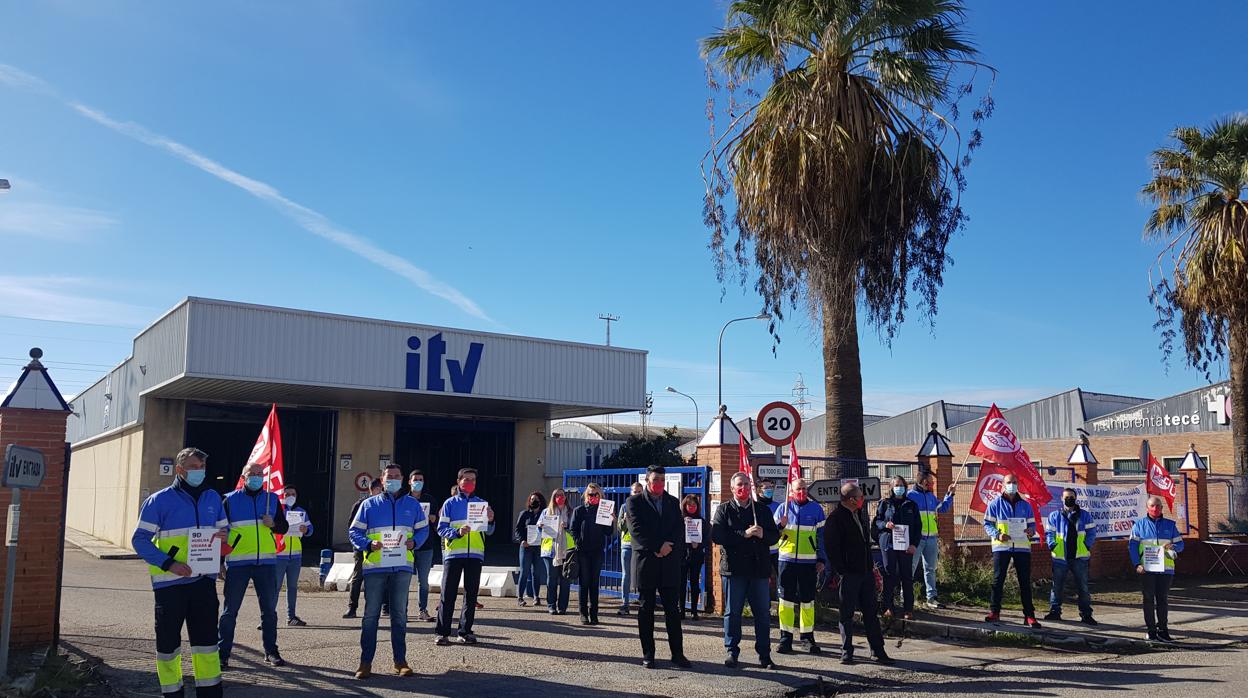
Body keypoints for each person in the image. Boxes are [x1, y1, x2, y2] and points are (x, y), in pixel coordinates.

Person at [132, 447, 227, 698]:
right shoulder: (159, 500)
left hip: (203, 584)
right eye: (195, 466)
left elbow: (226, 534)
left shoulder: (213, 498)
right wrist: (169, 564)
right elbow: (140, 540)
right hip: (170, 585)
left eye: (203, 467)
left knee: (207, 645)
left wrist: (223, 544)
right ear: (180, 470)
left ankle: (209, 693)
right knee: (168, 647)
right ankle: (172, 693)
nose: (200, 471)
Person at [348, 464, 429, 679]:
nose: (392, 479)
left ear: (402, 479)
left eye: (396, 476)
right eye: (389, 477)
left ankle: (400, 661)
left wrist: (415, 542)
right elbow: (354, 532)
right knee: (371, 616)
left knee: (399, 616)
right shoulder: (368, 505)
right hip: (375, 567)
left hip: (402, 566)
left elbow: (423, 529)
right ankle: (365, 663)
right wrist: (367, 544)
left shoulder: (413, 504)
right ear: (382, 481)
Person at [219, 461, 290, 669]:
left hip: (266, 564)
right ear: (244, 476)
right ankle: (223, 653)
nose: (257, 476)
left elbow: (283, 528)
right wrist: (219, 563)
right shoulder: (229, 500)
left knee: (269, 611)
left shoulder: (273, 499)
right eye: (252, 473)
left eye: (260, 473)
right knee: (229, 611)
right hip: (237, 564)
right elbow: (220, 535)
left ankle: (271, 651)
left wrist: (274, 524)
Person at [712, 473, 781, 669]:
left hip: (758, 569)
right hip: (734, 570)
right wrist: (744, 534)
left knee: (762, 614)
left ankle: (764, 654)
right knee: (732, 613)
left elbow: (774, 536)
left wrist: (763, 534)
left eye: (746, 484)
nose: (743, 488)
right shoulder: (724, 510)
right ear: (732, 488)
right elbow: (717, 535)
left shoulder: (761, 510)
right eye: (739, 485)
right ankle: (732, 651)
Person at [625, 465, 689, 669]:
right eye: (655, 480)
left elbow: (679, 528)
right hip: (647, 562)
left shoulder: (672, 502)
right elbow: (636, 530)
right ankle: (649, 654)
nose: (659, 484)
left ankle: (677, 654)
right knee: (646, 609)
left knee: (672, 609)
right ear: (647, 481)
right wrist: (657, 546)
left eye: (662, 480)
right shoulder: (634, 502)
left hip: (668, 562)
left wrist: (667, 547)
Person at [826, 483, 893, 665]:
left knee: (871, 613)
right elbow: (832, 548)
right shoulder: (835, 518)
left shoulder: (860, 515)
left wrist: (870, 567)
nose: (863, 499)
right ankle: (847, 651)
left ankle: (878, 651)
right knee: (846, 614)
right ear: (852, 499)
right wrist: (842, 571)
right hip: (849, 574)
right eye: (860, 496)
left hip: (865, 572)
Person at [434, 468, 496, 645]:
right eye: (466, 479)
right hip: (453, 554)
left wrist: (491, 519)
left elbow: (490, 531)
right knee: (448, 594)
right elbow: (440, 529)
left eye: (473, 480)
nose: (470, 482)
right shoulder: (450, 504)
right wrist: (457, 532)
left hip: (475, 555)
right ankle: (442, 633)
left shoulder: (482, 503)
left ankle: (465, 631)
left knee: (471, 596)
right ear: (459, 481)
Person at [773, 477, 828, 654]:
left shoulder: (816, 509)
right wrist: (779, 526)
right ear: (791, 491)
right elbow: (772, 536)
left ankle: (807, 638)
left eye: (804, 489)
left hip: (809, 563)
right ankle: (785, 638)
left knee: (807, 602)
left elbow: (822, 537)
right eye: (798, 489)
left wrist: (821, 559)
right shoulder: (783, 509)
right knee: (786, 602)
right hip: (786, 562)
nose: (802, 492)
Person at [982, 473, 1040, 627]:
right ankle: (994, 612)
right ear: (1002, 485)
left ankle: (1029, 615)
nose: (1012, 485)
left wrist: (1031, 531)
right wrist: (998, 534)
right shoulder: (994, 504)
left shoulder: (1026, 505)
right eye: (1009, 482)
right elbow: (987, 524)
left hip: (1022, 548)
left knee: (1025, 582)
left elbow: (1032, 526)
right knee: (998, 580)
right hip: (1002, 547)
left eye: (1014, 482)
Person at [1129, 495, 1184, 642]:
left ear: (1162, 508)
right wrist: (1136, 564)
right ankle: (1151, 631)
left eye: (1158, 506)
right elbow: (1132, 547)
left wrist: (1174, 546)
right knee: (1148, 600)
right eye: (1152, 506)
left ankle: (1163, 631)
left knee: (1162, 600)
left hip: (1166, 570)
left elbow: (1181, 545)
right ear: (1147, 508)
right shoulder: (1139, 526)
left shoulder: (1170, 525)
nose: (1155, 509)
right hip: (1146, 570)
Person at [1044, 487, 1097, 625]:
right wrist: (1052, 545)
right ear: (1062, 499)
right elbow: (1049, 533)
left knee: (1083, 587)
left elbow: (1092, 532)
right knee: (1057, 586)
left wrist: (1086, 545)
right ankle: (1055, 611)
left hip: (1079, 557)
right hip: (1060, 557)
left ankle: (1086, 614)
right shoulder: (1054, 516)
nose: (1069, 499)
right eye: (1066, 497)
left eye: (1071, 497)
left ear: (1076, 498)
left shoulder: (1085, 515)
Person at [874, 476, 921, 619]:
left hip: (906, 546)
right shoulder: (885, 503)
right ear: (891, 487)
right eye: (896, 485)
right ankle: (888, 607)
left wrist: (914, 544)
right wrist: (885, 525)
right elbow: (877, 521)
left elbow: (918, 527)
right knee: (889, 575)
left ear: (905, 487)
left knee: (906, 576)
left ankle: (908, 609)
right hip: (888, 543)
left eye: (901, 485)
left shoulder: (911, 505)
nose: (899, 487)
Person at [907, 471, 956, 609]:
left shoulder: (930, 496)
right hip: (916, 539)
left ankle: (931, 598)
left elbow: (943, 508)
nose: (933, 484)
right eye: (932, 482)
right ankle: (906, 597)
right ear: (924, 482)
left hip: (932, 539)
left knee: (930, 569)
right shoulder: (910, 496)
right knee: (909, 569)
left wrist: (950, 494)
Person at [571, 482, 615, 624]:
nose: (593, 497)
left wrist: (611, 520)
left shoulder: (603, 510)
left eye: (596, 494)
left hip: (597, 551)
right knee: (584, 582)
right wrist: (578, 541)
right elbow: (573, 529)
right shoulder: (579, 511)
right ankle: (583, 613)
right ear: (586, 495)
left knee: (594, 583)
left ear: (600, 495)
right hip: (583, 551)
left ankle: (594, 613)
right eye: (591, 494)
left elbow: (608, 533)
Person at [273, 485, 312, 627]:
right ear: (282, 496)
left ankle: (291, 616)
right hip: (279, 554)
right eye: (287, 493)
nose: (290, 496)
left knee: (292, 587)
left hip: (295, 555)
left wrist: (306, 529)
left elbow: (311, 529)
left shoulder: (301, 512)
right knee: (275, 587)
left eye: (292, 493)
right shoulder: (277, 511)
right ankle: (269, 616)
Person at [343, 479, 383, 619]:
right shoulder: (360, 505)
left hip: (379, 547)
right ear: (372, 490)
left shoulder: (384, 506)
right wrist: (363, 541)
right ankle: (352, 608)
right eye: (379, 489)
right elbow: (351, 527)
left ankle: (381, 607)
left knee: (378, 578)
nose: (381, 492)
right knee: (358, 576)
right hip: (362, 547)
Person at [408, 469, 439, 622]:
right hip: (405, 545)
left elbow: (439, 524)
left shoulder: (430, 500)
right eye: (415, 479)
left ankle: (422, 610)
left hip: (426, 545)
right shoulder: (403, 500)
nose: (417, 482)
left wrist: (434, 519)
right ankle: (401, 610)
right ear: (409, 482)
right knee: (404, 579)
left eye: (420, 479)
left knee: (423, 581)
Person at [540, 487, 576, 615]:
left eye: (562, 495)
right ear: (553, 498)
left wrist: (568, 527)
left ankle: (562, 607)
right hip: (550, 551)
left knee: (565, 580)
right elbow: (540, 530)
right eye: (557, 495)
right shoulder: (546, 512)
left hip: (567, 551)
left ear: (565, 497)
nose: (560, 497)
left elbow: (576, 530)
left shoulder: (571, 512)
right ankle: (551, 605)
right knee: (552, 579)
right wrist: (541, 527)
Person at [514, 490, 547, 608]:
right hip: (526, 547)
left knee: (536, 573)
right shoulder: (524, 514)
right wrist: (522, 540)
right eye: (532, 499)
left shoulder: (544, 514)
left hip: (538, 547)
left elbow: (549, 530)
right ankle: (520, 597)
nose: (534, 501)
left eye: (536, 500)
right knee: (524, 571)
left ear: (541, 501)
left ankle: (536, 596)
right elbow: (518, 530)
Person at [617, 481, 644, 615]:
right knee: (626, 575)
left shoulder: (646, 506)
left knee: (641, 575)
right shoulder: (624, 507)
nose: (637, 494)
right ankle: (625, 603)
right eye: (635, 491)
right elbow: (619, 527)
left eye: (639, 491)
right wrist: (625, 520)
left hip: (641, 546)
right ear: (630, 493)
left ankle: (642, 602)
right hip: (627, 545)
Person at [680, 494, 708, 621]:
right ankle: (681, 610)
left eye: (694, 506)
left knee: (695, 583)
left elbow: (707, 538)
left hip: (696, 556)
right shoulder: (679, 520)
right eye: (689, 506)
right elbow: (674, 537)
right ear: (684, 506)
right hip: (682, 556)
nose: (692, 508)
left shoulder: (701, 521)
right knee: (681, 584)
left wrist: (699, 544)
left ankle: (694, 611)